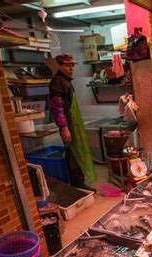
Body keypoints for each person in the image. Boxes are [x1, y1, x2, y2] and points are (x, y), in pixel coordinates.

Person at [49, 54, 96, 190]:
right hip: (69, 125)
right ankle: (77, 185)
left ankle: (80, 183)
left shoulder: (66, 81)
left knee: (78, 153)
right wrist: (64, 127)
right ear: (59, 65)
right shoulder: (57, 82)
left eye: (72, 65)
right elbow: (56, 107)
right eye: (67, 65)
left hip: (74, 124)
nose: (71, 68)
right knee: (73, 155)